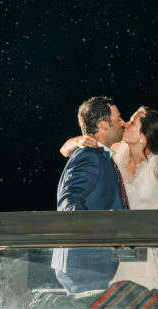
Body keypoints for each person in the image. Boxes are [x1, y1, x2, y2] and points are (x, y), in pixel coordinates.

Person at [60, 105, 158, 291]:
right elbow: (65, 150)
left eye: (132, 122)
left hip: (148, 249)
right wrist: (79, 141)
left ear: (143, 136)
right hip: (116, 251)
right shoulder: (114, 150)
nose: (124, 124)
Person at [51, 95, 129, 293]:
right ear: (103, 125)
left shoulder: (99, 154)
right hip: (85, 263)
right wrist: (87, 238)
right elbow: (70, 197)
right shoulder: (89, 156)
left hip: (89, 263)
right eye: (119, 118)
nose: (123, 122)